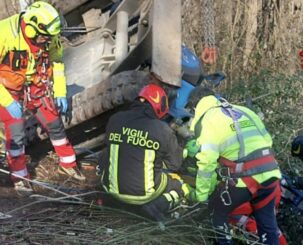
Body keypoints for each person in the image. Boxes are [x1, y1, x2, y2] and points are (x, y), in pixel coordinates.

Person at [0, 1, 85, 194]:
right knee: (16, 133)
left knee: (54, 122)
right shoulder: (4, 34)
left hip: (36, 84)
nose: (49, 42)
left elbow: (57, 62)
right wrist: (7, 101)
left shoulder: (49, 35)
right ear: (31, 29)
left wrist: (61, 91)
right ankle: (20, 177)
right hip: (6, 87)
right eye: (45, 38)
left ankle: (68, 163)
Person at [186, 87, 282, 244]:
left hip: (246, 179)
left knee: (217, 211)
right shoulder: (244, 111)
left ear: (196, 106)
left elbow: (207, 163)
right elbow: (268, 141)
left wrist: (202, 196)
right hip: (271, 174)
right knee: (268, 226)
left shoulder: (208, 119)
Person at [100, 83, 190, 221]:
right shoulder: (162, 130)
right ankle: (158, 206)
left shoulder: (115, 119)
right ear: (160, 106)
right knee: (180, 186)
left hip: (112, 190)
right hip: (145, 194)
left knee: (107, 154)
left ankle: (110, 200)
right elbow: (174, 165)